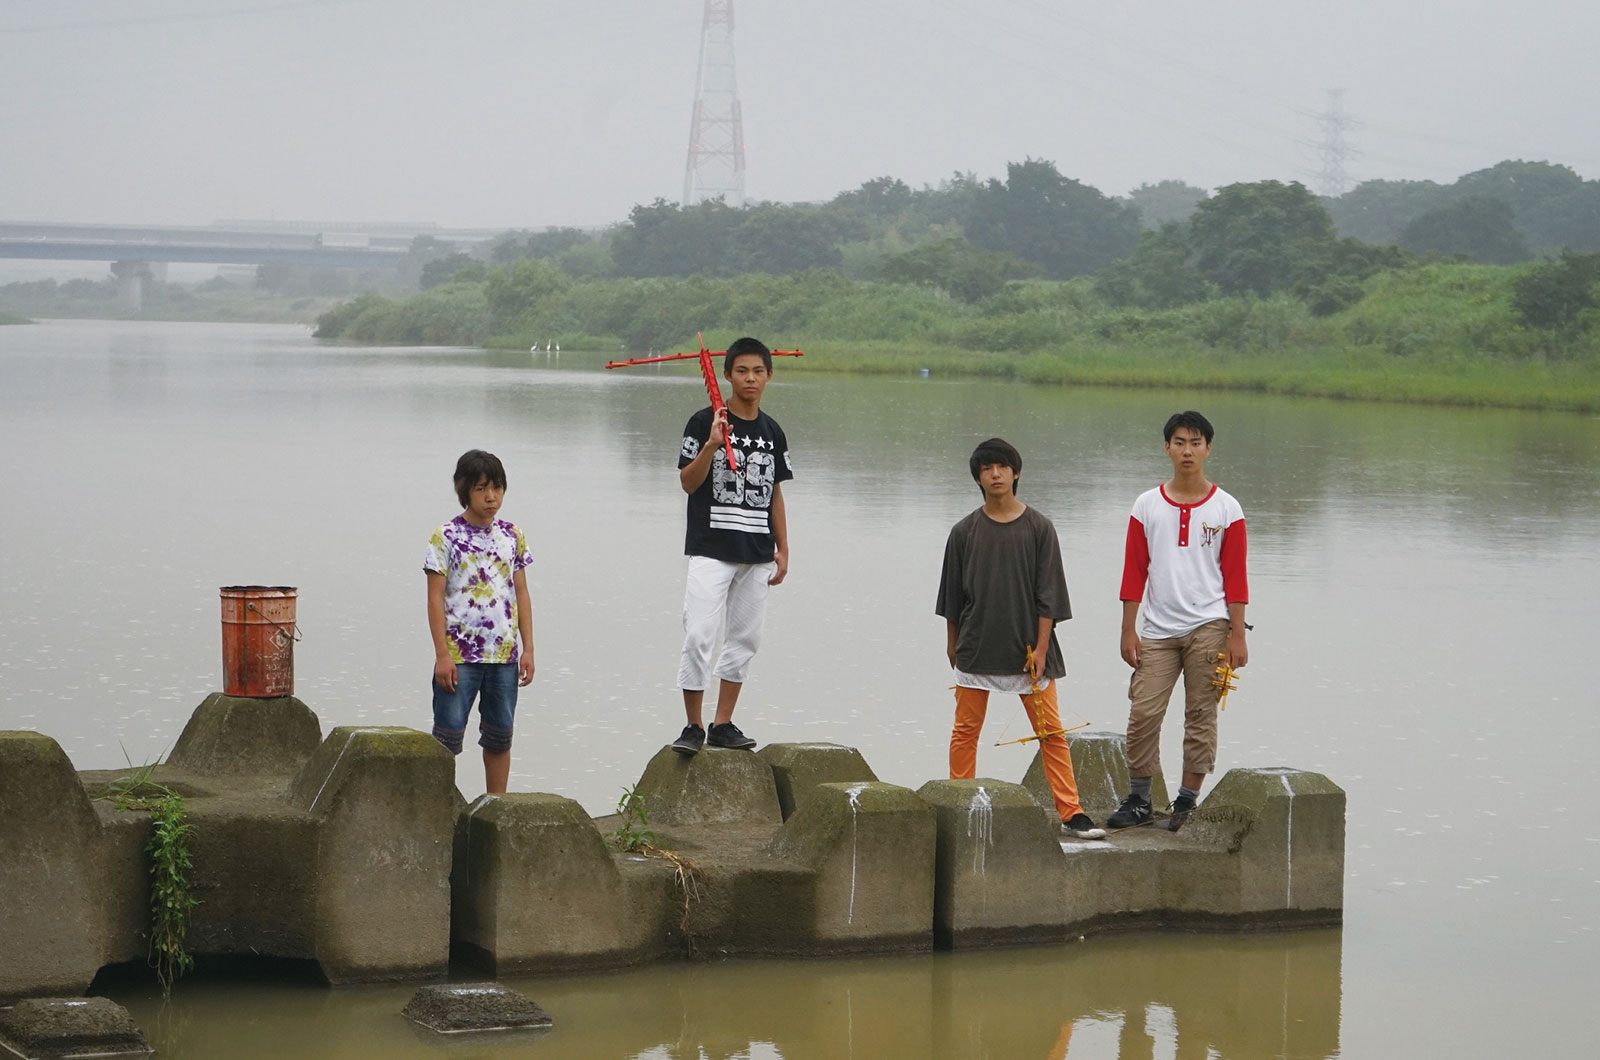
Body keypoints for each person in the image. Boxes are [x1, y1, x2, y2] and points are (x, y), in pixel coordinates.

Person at [936, 438, 1106, 840]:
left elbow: (1049, 595)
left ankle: (1072, 812)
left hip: (1029, 649)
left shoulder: (1039, 528)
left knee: (1051, 733)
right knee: (965, 732)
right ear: (978, 477)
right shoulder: (964, 532)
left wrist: (1043, 648)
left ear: (1016, 473)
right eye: (986, 468)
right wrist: (952, 642)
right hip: (976, 645)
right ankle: (959, 802)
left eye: (1002, 467)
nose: (995, 474)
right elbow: (952, 596)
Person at [1107, 411, 1249, 832]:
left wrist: (1237, 634)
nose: (1188, 450)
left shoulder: (1227, 508)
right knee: (1144, 711)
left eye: (1196, 442)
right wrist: (1127, 628)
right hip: (1156, 627)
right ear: (1167, 447)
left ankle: (1187, 801)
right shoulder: (1147, 505)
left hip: (1210, 623)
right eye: (1180, 442)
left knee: (1201, 713)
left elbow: (1236, 577)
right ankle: (1139, 799)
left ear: (1208, 448)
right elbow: (1135, 571)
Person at [670, 337, 793, 755]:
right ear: (726, 374)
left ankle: (723, 723)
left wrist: (784, 548)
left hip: (757, 552)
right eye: (742, 371)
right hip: (710, 548)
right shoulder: (704, 421)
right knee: (700, 634)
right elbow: (688, 482)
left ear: (769, 376)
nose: (750, 379)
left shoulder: (772, 432)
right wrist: (712, 445)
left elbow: (775, 492)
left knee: (744, 640)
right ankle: (692, 725)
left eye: (758, 371)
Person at [423, 449, 535, 794]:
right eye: (482, 489)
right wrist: (442, 655)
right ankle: (438, 807)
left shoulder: (512, 535)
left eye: (497, 488)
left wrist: (528, 648)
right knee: (447, 737)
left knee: (500, 736)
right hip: (460, 655)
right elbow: (435, 598)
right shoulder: (446, 536)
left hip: (503, 655)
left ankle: (495, 809)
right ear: (465, 491)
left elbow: (521, 592)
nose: (491, 497)